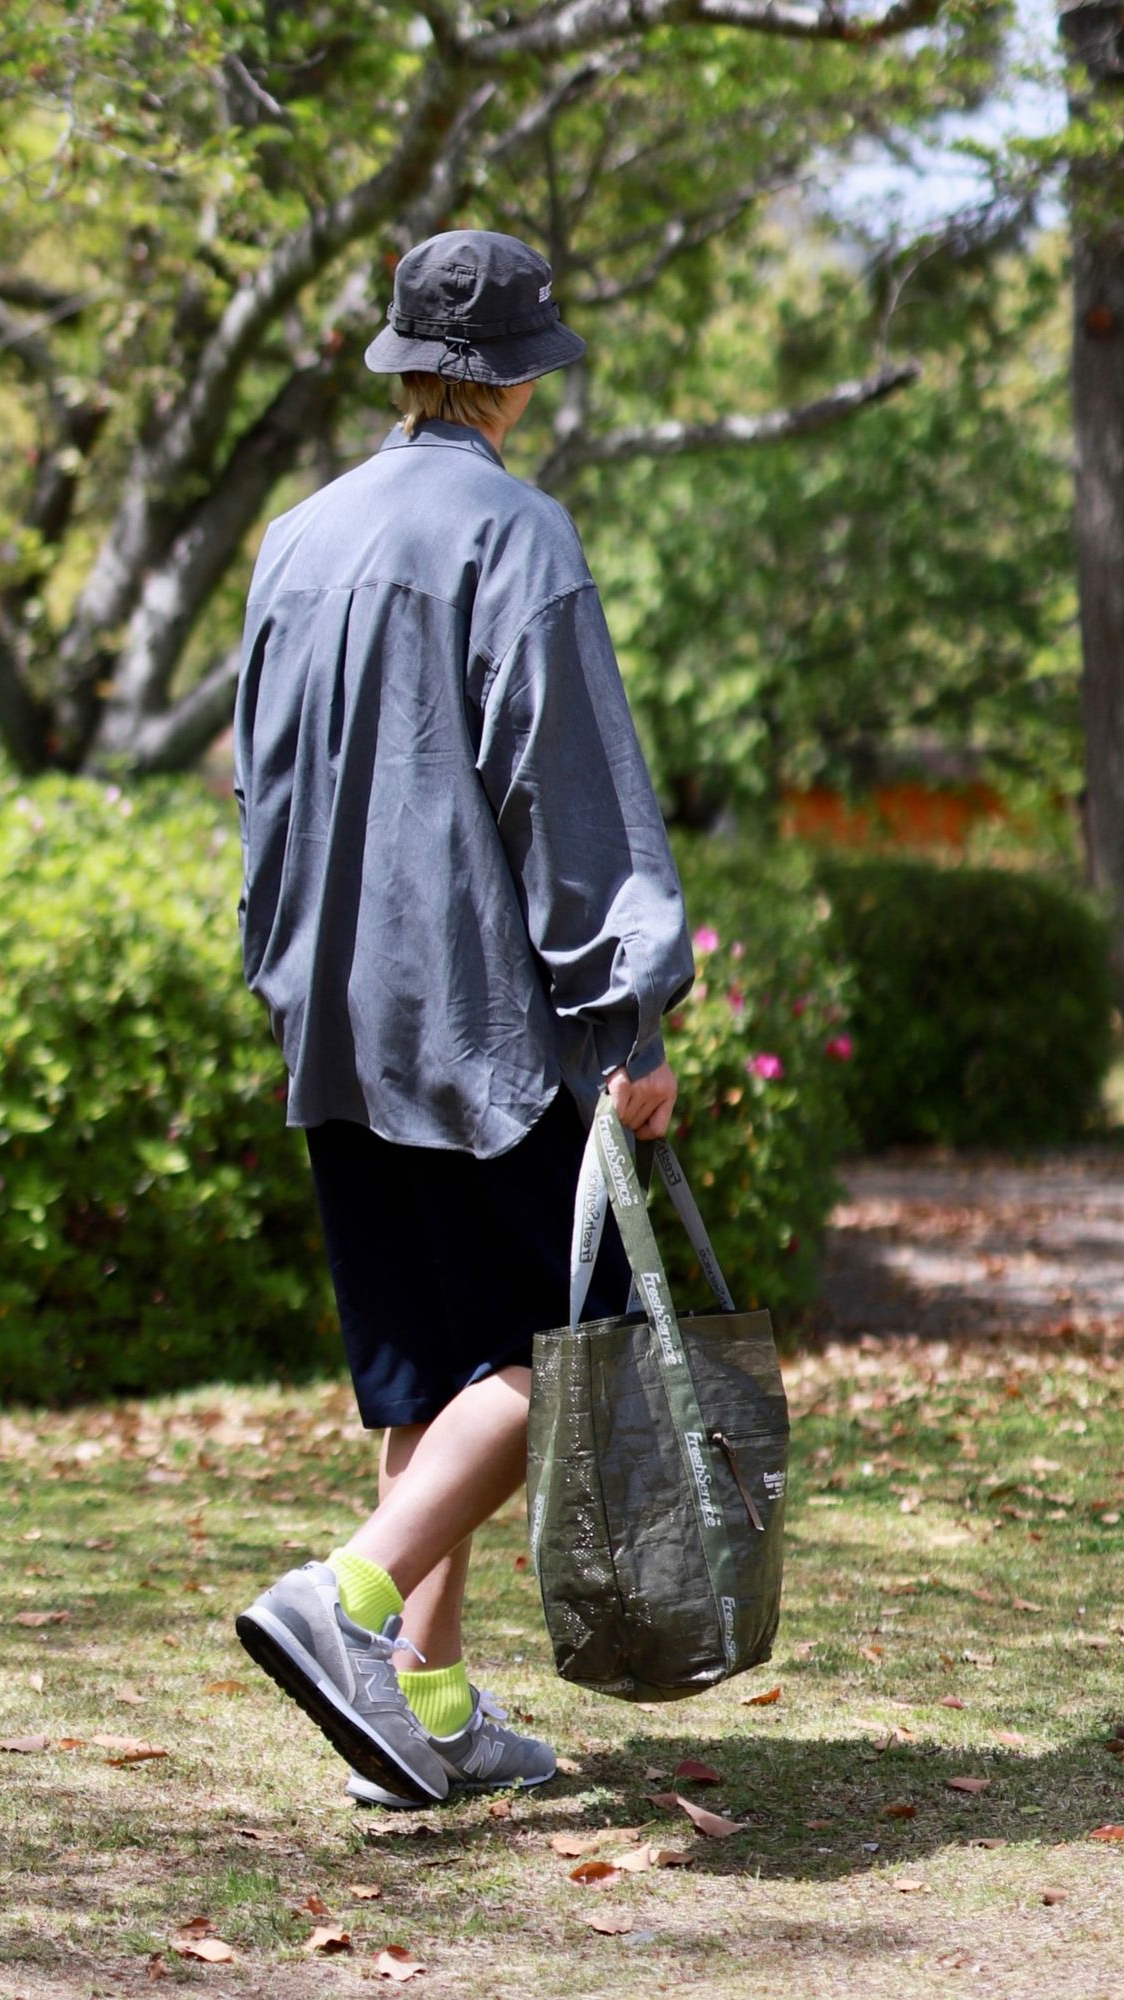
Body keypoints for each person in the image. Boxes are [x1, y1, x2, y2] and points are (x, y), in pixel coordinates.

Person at [231, 228, 694, 1808]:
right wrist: (629, 1026)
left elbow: (260, 794)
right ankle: (347, 1600)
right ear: (512, 380)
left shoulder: (294, 538)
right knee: (564, 1348)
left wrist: (287, 975)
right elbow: (565, 795)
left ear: (408, 363)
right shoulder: (519, 536)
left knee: (423, 1374)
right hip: (481, 1025)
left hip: (333, 1015)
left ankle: (413, 1720)